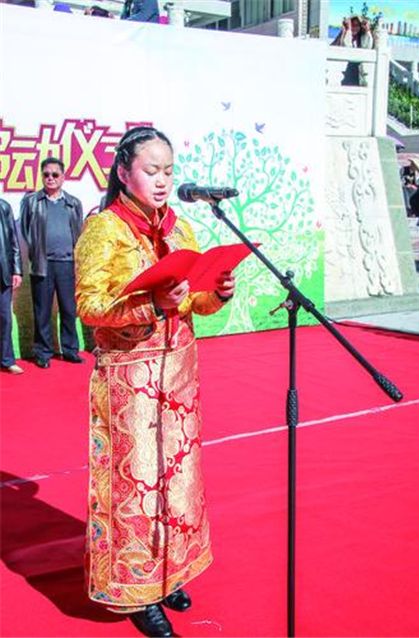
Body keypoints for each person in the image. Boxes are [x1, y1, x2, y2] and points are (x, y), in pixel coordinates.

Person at [74, 126, 235, 637]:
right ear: (124, 173)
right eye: (151, 170)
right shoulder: (105, 229)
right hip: (130, 380)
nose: (162, 180)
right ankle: (137, 591)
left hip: (179, 375)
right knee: (138, 485)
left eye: (168, 171)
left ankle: (170, 575)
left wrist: (217, 291)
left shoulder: (181, 230)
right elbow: (89, 306)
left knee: (178, 481)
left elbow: (195, 303)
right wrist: (150, 304)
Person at [20, 157, 84, 368]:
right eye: (46, 174)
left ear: (63, 177)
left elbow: (79, 233)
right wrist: (36, 251)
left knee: (69, 309)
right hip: (42, 265)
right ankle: (43, 353)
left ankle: (70, 350)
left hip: (68, 264)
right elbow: (25, 230)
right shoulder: (31, 202)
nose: (50, 178)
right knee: (42, 312)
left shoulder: (74, 203)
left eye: (55, 174)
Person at [0, 198, 23, 374]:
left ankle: (7, 359)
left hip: (2, 272)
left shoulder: (4, 206)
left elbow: (13, 241)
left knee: (4, 318)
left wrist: (16, 270)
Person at [332, 15, 373, 86]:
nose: (355, 28)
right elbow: (347, 47)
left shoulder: (361, 38)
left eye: (357, 25)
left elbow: (368, 47)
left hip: (358, 73)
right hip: (344, 73)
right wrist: (348, 30)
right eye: (352, 25)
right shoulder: (344, 36)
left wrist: (367, 31)